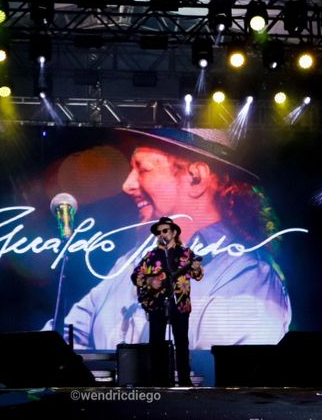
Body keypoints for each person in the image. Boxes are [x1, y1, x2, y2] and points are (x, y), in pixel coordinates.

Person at [50, 128, 292, 352]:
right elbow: (66, 338)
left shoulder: (247, 276)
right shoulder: (130, 264)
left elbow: (224, 383)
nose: (128, 185)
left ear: (195, 177)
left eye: (143, 169)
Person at [130, 216, 203, 387]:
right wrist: (149, 281)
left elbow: (198, 276)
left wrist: (196, 268)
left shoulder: (186, 253)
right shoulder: (151, 255)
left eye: (165, 230)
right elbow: (135, 275)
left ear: (174, 232)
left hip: (180, 303)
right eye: (159, 232)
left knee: (182, 343)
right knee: (156, 343)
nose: (161, 234)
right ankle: (159, 382)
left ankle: (184, 380)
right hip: (156, 304)